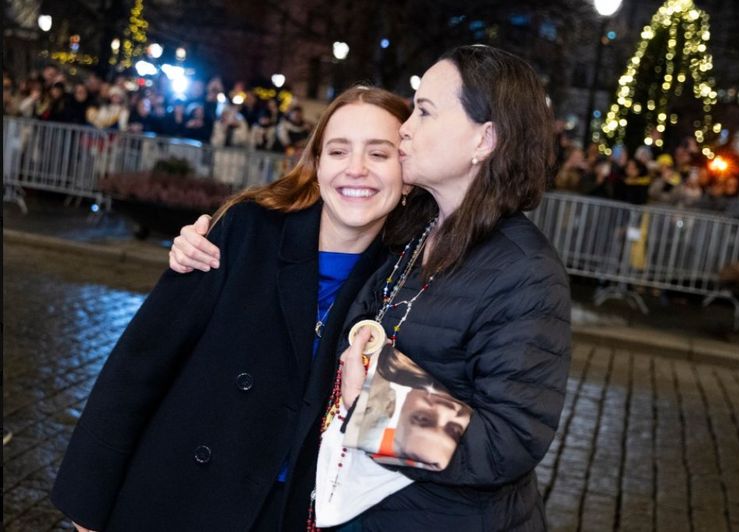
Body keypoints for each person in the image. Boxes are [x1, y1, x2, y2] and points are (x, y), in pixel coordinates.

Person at [172, 45, 571, 531]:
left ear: (485, 139)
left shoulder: (525, 270)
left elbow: (511, 441)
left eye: (424, 112)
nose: (405, 128)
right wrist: (207, 242)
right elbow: (324, 233)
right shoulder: (414, 230)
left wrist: (379, 406)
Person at [51, 86, 413, 531]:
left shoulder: (408, 279)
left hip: (292, 515)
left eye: (379, 154)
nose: (355, 169)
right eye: (338, 151)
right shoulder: (247, 229)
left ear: (408, 171)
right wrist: (87, 511)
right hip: (175, 498)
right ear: (317, 165)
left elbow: (393, 435)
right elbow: (139, 366)